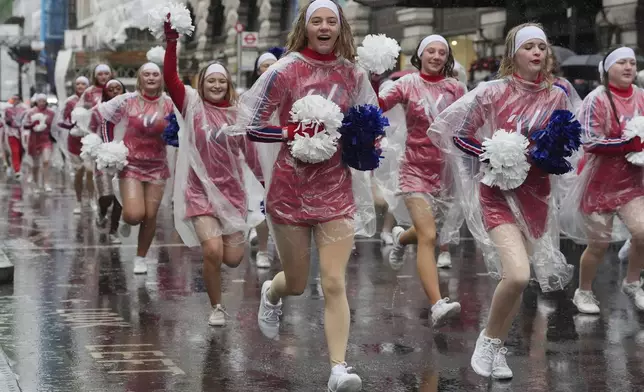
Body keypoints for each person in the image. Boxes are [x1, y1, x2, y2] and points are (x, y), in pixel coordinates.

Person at [235, 1, 377, 390]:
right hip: (289, 191)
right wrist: (292, 133)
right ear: (306, 26)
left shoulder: (353, 74)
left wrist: (367, 139)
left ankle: (338, 368)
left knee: (333, 281)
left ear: (341, 28)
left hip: (336, 191)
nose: (325, 27)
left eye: (332, 20)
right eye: (317, 20)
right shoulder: (286, 70)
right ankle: (272, 290)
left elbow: (370, 122)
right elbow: (252, 124)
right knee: (296, 282)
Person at [429, 23, 575, 379]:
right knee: (519, 275)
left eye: (542, 46)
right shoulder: (491, 92)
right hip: (497, 194)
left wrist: (546, 153)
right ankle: (489, 340)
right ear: (514, 54)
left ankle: (498, 348)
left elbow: (561, 144)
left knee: (514, 279)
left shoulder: (557, 95)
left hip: (536, 197)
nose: (537, 53)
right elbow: (458, 133)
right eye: (529, 47)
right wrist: (490, 152)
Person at [164, 24, 263, 326]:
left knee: (232, 259)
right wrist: (172, 40)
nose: (216, 85)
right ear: (202, 83)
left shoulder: (238, 113)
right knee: (212, 250)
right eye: (211, 80)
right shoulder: (191, 105)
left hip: (233, 193)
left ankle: (222, 266)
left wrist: (265, 184)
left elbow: (251, 154)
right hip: (200, 192)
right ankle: (217, 306)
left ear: (228, 84)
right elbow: (170, 79)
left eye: (222, 81)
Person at [377, 34, 466, 327]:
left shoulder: (456, 88)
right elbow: (376, 104)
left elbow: (470, 122)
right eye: (431, 51)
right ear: (420, 55)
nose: (437, 56)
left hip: (445, 171)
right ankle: (436, 303)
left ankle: (402, 237)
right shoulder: (407, 84)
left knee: (430, 231)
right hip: (413, 168)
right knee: (429, 236)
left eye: (442, 52)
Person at [560, 47, 644, 314]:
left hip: (632, 182)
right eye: (621, 62)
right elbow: (589, 141)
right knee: (599, 244)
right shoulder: (596, 99)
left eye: (632, 62)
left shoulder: (641, 96)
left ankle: (632, 281)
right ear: (607, 69)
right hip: (599, 183)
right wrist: (626, 143)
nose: (628, 67)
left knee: (643, 232)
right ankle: (583, 291)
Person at [97, 63, 175, 274]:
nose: (151, 77)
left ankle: (141, 257)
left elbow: (181, 127)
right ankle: (125, 216)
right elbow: (104, 118)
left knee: (150, 215)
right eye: (146, 74)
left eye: (155, 74)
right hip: (131, 164)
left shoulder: (169, 103)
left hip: (158, 165)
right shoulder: (126, 100)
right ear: (140, 79)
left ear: (161, 79)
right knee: (134, 215)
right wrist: (109, 146)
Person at [89, 79, 127, 244]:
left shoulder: (131, 108)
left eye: (118, 88)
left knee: (120, 197)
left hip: (126, 156)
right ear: (105, 93)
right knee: (106, 195)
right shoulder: (99, 110)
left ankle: (113, 230)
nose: (115, 92)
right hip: (104, 156)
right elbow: (90, 129)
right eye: (111, 89)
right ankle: (102, 211)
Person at [57, 76, 95, 213]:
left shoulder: (93, 100)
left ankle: (92, 199)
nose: (80, 86)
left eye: (83, 84)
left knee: (90, 171)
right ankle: (79, 201)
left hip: (89, 141)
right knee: (79, 174)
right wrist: (72, 126)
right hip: (74, 143)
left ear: (88, 85)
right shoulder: (70, 102)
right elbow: (60, 121)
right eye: (77, 84)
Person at [22, 93, 56, 192]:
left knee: (46, 161)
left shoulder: (51, 113)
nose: (41, 103)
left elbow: (55, 126)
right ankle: (36, 184)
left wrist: (55, 136)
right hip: (34, 140)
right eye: (39, 101)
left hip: (46, 140)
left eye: (43, 101)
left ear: (46, 102)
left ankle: (46, 183)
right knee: (35, 165)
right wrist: (33, 125)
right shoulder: (30, 112)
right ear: (36, 102)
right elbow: (25, 125)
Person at [4, 96, 27, 179]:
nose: (15, 101)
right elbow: (6, 120)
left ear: (20, 100)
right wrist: (10, 122)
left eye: (16, 99)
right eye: (13, 99)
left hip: (22, 133)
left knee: (21, 151)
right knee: (15, 151)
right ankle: (17, 170)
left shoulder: (25, 109)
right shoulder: (8, 110)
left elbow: (27, 120)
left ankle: (18, 165)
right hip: (12, 133)